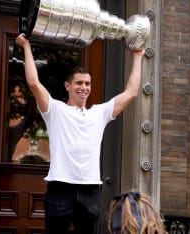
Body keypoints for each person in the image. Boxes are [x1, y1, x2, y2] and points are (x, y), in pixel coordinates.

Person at [16, 33, 145, 234]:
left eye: (87, 84)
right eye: (79, 83)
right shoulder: (55, 110)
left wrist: (137, 57)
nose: (84, 87)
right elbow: (33, 83)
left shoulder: (99, 113)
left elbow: (131, 93)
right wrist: (26, 46)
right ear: (67, 86)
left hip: (90, 189)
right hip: (60, 188)